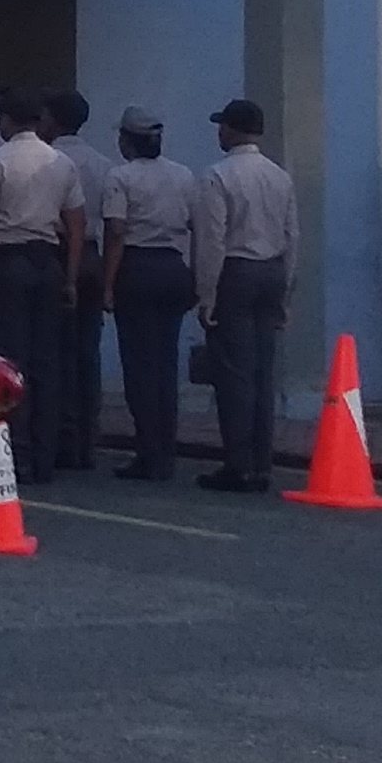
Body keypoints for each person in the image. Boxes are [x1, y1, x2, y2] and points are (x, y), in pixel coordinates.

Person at [0, 89, 84, 486]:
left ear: (8, 120)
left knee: (9, 365)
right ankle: (45, 455)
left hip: (8, 260)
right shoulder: (61, 163)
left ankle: (17, 454)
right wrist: (69, 277)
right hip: (47, 261)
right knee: (46, 362)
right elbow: (76, 225)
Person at [192, 96, 299, 494]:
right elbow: (293, 236)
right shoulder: (279, 176)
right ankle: (261, 461)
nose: (219, 131)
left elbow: (212, 240)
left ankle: (237, 464)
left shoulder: (217, 175)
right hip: (272, 270)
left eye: (223, 125)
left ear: (233, 130)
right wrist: (286, 292)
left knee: (233, 374)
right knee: (262, 372)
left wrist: (207, 295)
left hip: (236, 272)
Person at [100, 106, 197, 481]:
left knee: (139, 367)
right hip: (173, 268)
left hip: (137, 270)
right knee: (165, 365)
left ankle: (148, 451)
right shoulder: (183, 175)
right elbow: (194, 224)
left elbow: (117, 235)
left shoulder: (120, 177)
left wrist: (108, 286)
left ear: (127, 140)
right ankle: (165, 450)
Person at [45, 91, 109, 470]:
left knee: (57, 351)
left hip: (60, 252)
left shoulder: (52, 161)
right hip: (92, 255)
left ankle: (63, 437)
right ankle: (88, 436)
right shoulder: (103, 165)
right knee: (88, 350)